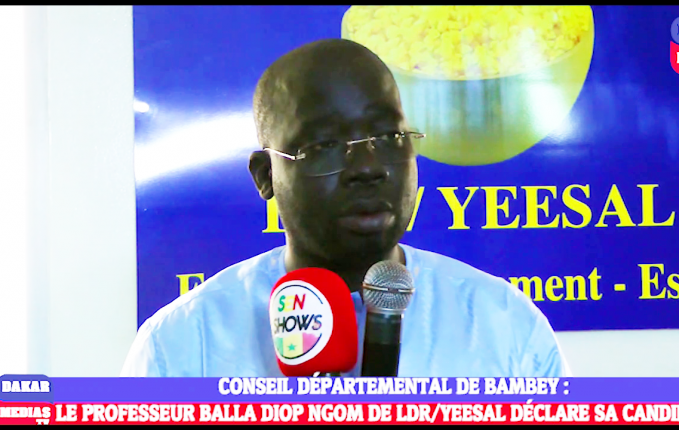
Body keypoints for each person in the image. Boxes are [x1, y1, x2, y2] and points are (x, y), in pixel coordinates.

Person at [121, 38, 570, 377]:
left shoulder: (504, 326)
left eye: (389, 136)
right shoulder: (182, 345)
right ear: (265, 176)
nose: (368, 167)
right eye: (325, 146)